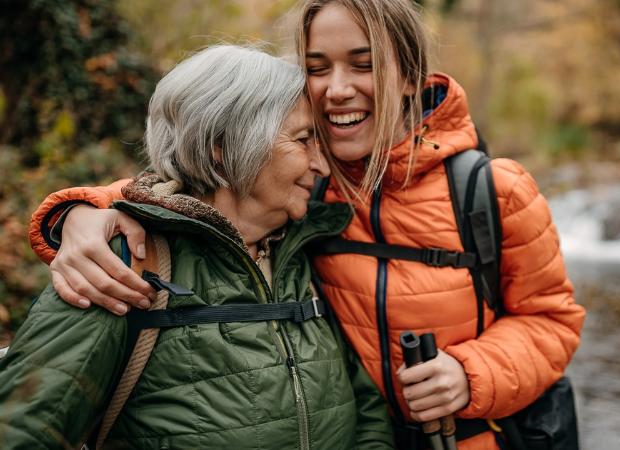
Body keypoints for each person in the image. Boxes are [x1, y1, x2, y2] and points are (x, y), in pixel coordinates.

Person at [27, 1, 587, 448]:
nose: (336, 88)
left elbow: (552, 322)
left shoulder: (492, 189)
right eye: (317, 68)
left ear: (412, 76)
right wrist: (81, 212)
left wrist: (472, 374)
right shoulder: (300, 181)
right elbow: (190, 184)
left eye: (363, 64)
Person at [2, 44, 393, 449]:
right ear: (221, 148)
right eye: (303, 140)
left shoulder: (301, 260)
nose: (323, 165)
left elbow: (367, 415)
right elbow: (20, 431)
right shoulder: (122, 265)